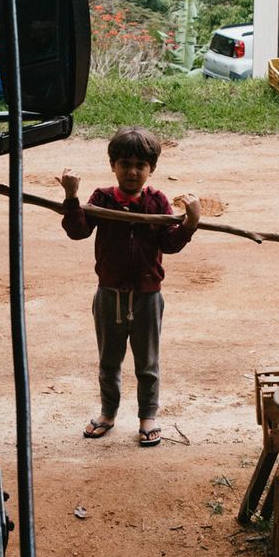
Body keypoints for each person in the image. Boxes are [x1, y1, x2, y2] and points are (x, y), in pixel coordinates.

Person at [58, 126, 201, 447]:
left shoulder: (157, 202)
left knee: (147, 363)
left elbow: (171, 242)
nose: (133, 171)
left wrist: (190, 222)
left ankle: (147, 416)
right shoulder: (102, 198)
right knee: (109, 360)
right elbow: (78, 231)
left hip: (148, 297)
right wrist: (71, 197)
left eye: (140, 165)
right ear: (113, 165)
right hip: (109, 294)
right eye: (125, 163)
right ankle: (108, 413)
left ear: (152, 169)